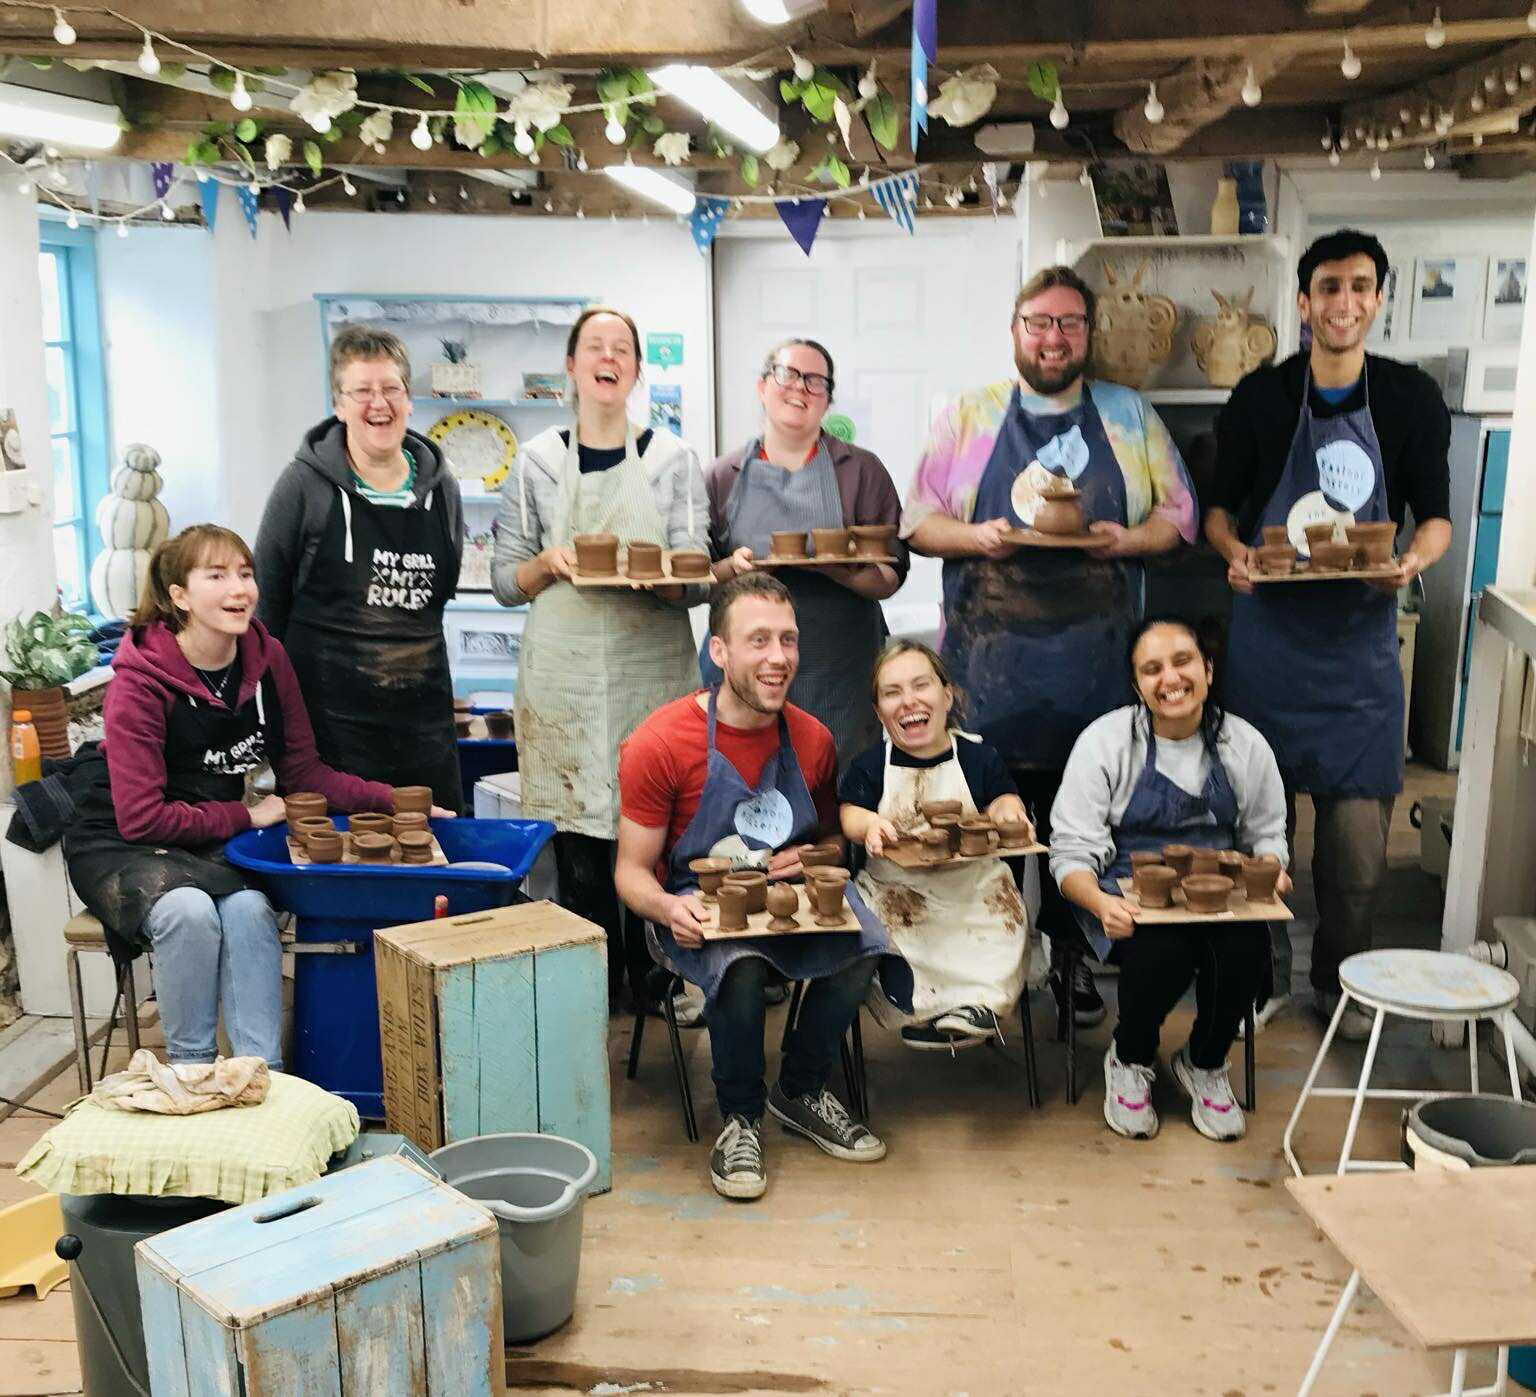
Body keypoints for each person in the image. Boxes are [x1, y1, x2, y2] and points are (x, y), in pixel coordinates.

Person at [903, 264, 1198, 1031]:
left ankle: (1071, 964)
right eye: (1039, 322)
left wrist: (1128, 538)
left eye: (1069, 323)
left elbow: (1179, 516)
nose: (1053, 337)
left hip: (1096, 668)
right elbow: (919, 522)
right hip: (987, 669)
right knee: (991, 832)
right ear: (1015, 331)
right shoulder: (968, 416)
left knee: (1086, 829)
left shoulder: (1128, 416)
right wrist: (975, 535)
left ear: (1088, 334)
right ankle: (993, 969)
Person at [1205, 229, 1452, 1040]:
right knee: (1254, 841)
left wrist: (1410, 561)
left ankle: (1341, 989)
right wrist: (1238, 555)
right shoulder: (1262, 398)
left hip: (1359, 662)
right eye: (1329, 288)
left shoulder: (1411, 399)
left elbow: (1438, 516)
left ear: (1377, 298)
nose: (1345, 302)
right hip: (1270, 648)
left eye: (1361, 286)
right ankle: (1259, 976)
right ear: (1304, 303)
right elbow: (1219, 511)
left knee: (1354, 862)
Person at [64, 525, 412, 1067]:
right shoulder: (139, 683)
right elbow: (140, 818)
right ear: (178, 595)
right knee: (188, 913)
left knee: (251, 910)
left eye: (245, 574)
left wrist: (392, 801)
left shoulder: (267, 660)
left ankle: (259, 1075)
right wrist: (246, 816)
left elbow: (305, 774)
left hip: (206, 833)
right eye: (217, 575)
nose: (239, 589)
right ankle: (193, 1070)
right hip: (123, 838)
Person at [615, 573, 887, 1201]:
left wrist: (812, 857)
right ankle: (741, 1117)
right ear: (719, 652)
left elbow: (827, 843)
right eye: (758, 640)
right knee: (738, 963)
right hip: (694, 905)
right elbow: (630, 872)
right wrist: (667, 907)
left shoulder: (812, 737)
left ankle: (800, 1088)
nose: (778, 657)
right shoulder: (661, 741)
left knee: (867, 942)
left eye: (788, 640)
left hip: (787, 896)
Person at [493, 306, 709, 1010]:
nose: (608, 356)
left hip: (650, 664)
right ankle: (592, 993)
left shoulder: (673, 458)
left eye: (622, 348)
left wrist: (667, 579)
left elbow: (698, 578)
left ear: (638, 369)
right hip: (564, 673)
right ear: (572, 366)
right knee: (580, 835)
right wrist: (550, 564)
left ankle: (656, 980)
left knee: (652, 825)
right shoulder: (537, 461)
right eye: (595, 345)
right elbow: (504, 580)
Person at [1050, 618, 1290, 1142]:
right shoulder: (1106, 743)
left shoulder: (1243, 744)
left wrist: (1273, 873)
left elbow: (1267, 833)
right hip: (1122, 887)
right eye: (1152, 669)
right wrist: (1098, 904)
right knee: (1163, 949)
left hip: (1219, 889)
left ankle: (1203, 1061)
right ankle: (1130, 1057)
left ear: (1207, 668)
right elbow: (1069, 853)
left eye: (1182, 661)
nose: (1170, 679)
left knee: (1247, 948)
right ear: (1137, 686)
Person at [255, 324, 465, 811]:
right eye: (363, 391)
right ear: (339, 404)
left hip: (422, 722)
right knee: (338, 859)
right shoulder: (303, 486)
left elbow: (444, 585)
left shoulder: (441, 488)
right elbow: (267, 603)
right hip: (329, 725)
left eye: (391, 389)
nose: (379, 403)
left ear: (410, 399)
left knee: (431, 855)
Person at [706, 338, 908, 765]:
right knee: (743, 788)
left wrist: (838, 569)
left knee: (836, 793)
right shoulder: (723, 476)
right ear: (763, 387)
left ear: (828, 400)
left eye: (816, 381)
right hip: (746, 673)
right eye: (788, 374)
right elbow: (696, 580)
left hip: (840, 673)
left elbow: (891, 576)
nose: (800, 388)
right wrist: (730, 568)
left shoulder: (862, 472)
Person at [839, 639, 1043, 1048]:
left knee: (1001, 930)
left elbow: (1005, 796)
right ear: (879, 713)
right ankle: (922, 1011)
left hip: (973, 889)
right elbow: (849, 812)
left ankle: (980, 1007)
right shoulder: (871, 765)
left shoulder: (978, 758)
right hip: (899, 892)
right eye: (892, 693)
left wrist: (1008, 810)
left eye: (921, 685)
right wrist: (869, 826)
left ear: (947, 696)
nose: (908, 701)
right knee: (891, 941)